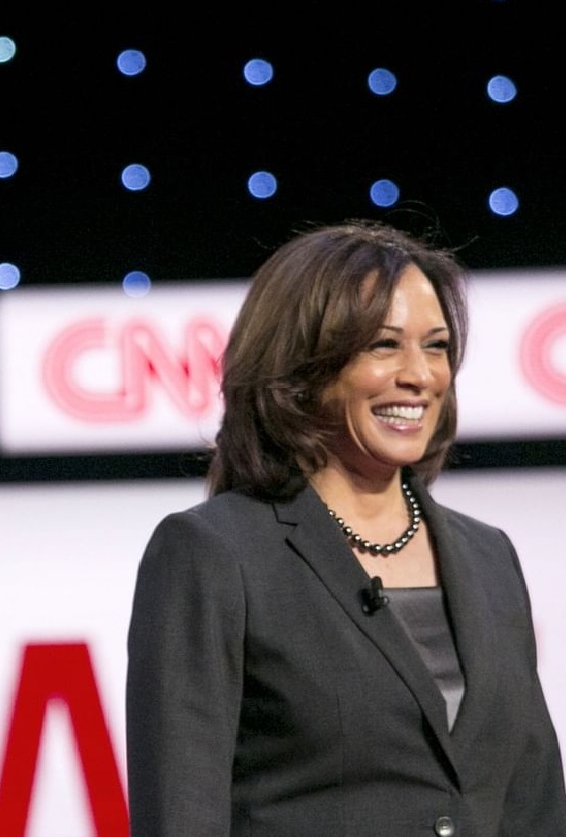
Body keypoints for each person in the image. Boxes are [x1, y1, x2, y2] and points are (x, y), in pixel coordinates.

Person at [126, 221, 566, 836]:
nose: (420, 375)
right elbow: (180, 814)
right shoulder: (214, 553)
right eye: (384, 346)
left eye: (436, 346)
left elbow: (534, 804)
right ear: (303, 365)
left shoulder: (489, 556)